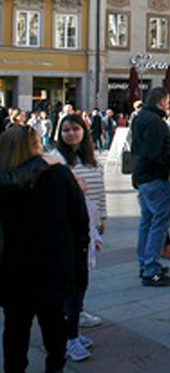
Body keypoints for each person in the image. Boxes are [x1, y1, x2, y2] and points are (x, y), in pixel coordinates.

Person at [0, 125, 89, 373]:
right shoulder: (58, 175)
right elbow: (79, 219)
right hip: (53, 261)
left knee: (16, 325)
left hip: (12, 266)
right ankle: (55, 367)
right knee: (53, 321)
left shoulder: (4, 179)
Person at [50, 113, 108, 344]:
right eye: (65, 130)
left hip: (89, 220)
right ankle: (68, 324)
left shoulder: (91, 158)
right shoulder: (56, 159)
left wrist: (102, 218)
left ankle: (76, 313)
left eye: (75, 129)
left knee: (82, 273)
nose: (71, 134)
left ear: (84, 131)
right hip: (69, 223)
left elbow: (99, 189)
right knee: (73, 275)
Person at [131, 87, 170, 286]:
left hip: (142, 176)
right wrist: (167, 170)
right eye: (167, 101)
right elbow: (154, 152)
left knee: (147, 222)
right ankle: (151, 268)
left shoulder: (139, 117)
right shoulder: (156, 123)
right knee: (159, 222)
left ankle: (145, 263)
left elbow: (137, 149)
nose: (168, 106)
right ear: (161, 102)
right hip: (155, 178)